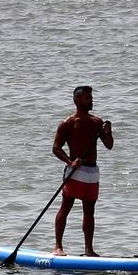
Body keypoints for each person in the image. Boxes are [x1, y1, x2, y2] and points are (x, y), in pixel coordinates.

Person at [51, 85, 114, 256]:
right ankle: (58, 247)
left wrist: (108, 132)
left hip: (92, 171)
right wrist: (70, 162)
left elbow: (109, 145)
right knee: (66, 206)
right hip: (75, 171)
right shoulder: (68, 123)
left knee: (89, 211)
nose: (91, 101)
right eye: (87, 98)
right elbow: (56, 148)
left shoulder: (97, 122)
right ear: (77, 100)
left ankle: (89, 250)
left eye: (91, 98)